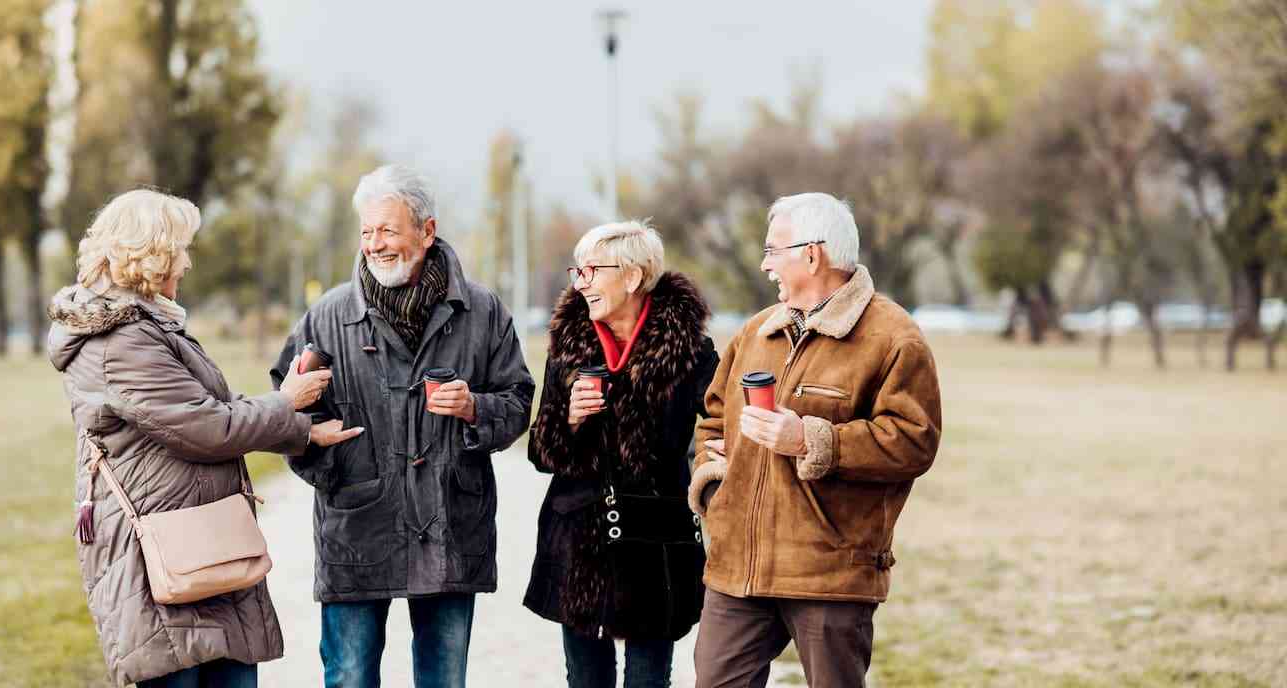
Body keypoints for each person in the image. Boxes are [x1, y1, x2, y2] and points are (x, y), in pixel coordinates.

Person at [48, 189, 357, 687]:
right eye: (181, 249)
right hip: (166, 560)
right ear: (151, 254)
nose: (187, 262)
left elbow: (212, 409)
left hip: (201, 544)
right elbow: (206, 427)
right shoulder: (120, 341)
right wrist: (288, 402)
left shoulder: (149, 326)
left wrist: (302, 430)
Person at [269, 164, 535, 688]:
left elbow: (519, 400)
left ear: (426, 231)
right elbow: (289, 411)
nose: (375, 244)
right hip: (356, 530)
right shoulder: (327, 317)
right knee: (349, 678)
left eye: (388, 230)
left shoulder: (482, 311)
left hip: (450, 529)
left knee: (444, 680)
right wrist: (324, 458)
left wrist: (474, 409)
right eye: (367, 232)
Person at [688, 193, 942, 688]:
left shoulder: (894, 338)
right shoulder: (756, 333)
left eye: (772, 250)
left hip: (830, 572)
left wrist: (810, 439)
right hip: (737, 567)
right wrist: (718, 488)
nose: (765, 265)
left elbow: (914, 441)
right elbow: (712, 422)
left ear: (812, 254)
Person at [524, 220, 719, 688]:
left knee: (649, 680)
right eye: (579, 272)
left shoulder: (693, 351)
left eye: (592, 270)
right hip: (579, 537)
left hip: (657, 542)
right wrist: (569, 419)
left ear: (632, 277)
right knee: (585, 679)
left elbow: (719, 428)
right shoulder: (567, 348)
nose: (581, 283)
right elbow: (538, 451)